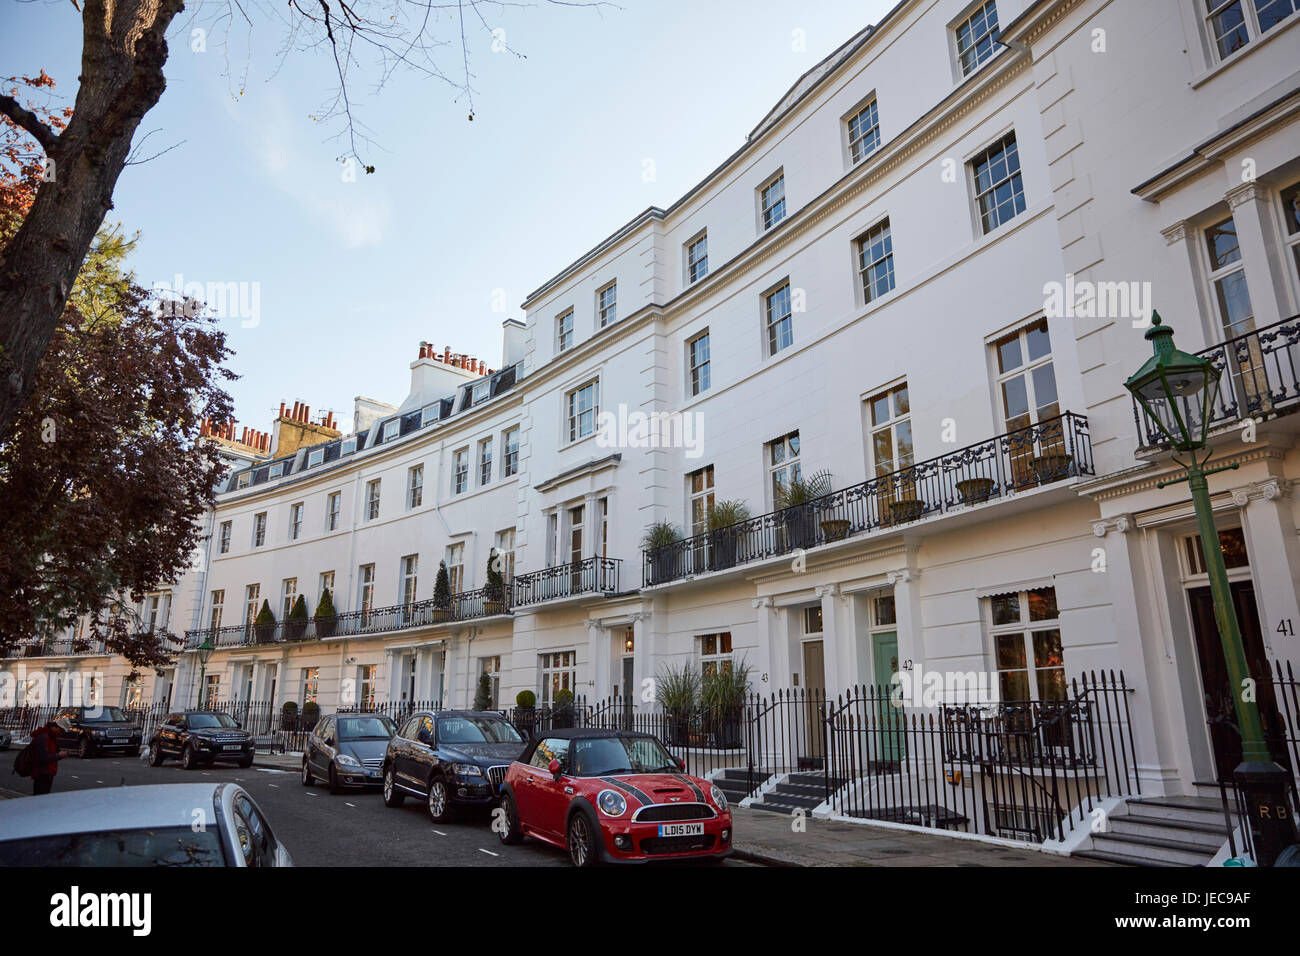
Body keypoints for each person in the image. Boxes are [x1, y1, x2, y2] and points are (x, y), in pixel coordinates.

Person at [28, 720, 62, 795]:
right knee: (40, 796)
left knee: (43, 795)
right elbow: (42, 757)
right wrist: (59, 756)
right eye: (60, 730)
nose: (60, 733)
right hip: (42, 772)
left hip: (47, 772)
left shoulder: (51, 737)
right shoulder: (44, 737)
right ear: (54, 727)